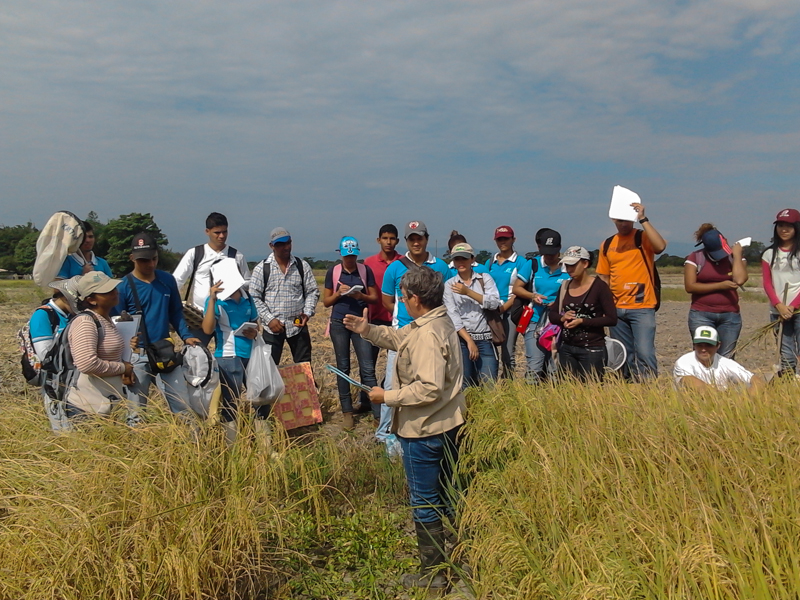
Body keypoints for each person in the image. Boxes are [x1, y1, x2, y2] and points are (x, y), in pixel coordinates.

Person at [344, 266, 465, 592]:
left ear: (414, 298)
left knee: (424, 501)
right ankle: (459, 557)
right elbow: (400, 338)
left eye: (403, 297)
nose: (402, 301)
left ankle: (434, 577)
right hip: (446, 423)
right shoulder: (437, 320)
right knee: (446, 494)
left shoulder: (428, 335)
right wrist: (367, 330)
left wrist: (387, 397)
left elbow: (429, 388)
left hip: (424, 430)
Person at [378, 220, 451, 450]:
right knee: (393, 385)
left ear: (427, 239)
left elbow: (448, 300)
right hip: (401, 335)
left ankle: (422, 430)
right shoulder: (395, 268)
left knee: (426, 384)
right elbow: (387, 300)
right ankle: (385, 434)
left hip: (431, 335)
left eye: (420, 238)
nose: (416, 243)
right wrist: (409, 316)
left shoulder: (441, 267)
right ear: (406, 241)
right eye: (412, 239)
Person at [115, 232, 201, 424]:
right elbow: (117, 325)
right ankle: (137, 440)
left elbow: (176, 312)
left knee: (182, 406)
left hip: (165, 350)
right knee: (136, 412)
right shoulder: (123, 287)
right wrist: (124, 363)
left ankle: (191, 440)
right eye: (144, 260)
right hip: (137, 356)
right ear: (132, 258)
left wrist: (185, 335)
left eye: (153, 258)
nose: (150, 264)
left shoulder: (167, 281)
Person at [596, 201, 667, 380]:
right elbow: (603, 277)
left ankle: (649, 386)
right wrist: (605, 305)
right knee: (622, 353)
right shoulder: (607, 244)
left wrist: (643, 218)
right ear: (613, 220)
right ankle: (627, 386)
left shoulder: (642, 237)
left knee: (645, 351)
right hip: (617, 308)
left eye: (627, 220)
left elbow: (660, 247)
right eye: (620, 220)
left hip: (642, 306)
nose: (623, 224)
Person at [322, 236, 379, 429]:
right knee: (343, 367)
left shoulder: (365, 270)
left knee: (367, 368)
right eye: (347, 256)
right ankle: (347, 412)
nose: (350, 260)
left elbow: (374, 297)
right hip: (339, 323)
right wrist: (339, 293)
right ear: (341, 254)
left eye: (353, 256)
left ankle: (377, 413)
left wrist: (359, 295)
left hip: (360, 323)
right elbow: (326, 302)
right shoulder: (334, 272)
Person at [173, 212, 251, 345]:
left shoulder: (237, 256)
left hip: (229, 317)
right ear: (207, 231)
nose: (222, 236)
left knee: (228, 354)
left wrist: (236, 284)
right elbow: (177, 280)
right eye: (217, 232)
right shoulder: (195, 253)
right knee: (196, 352)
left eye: (224, 232)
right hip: (199, 316)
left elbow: (248, 283)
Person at [66, 272, 135, 421]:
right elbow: (87, 364)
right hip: (87, 409)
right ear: (91, 300)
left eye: (113, 288)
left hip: (105, 404)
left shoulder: (104, 319)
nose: (115, 292)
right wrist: (123, 368)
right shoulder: (85, 322)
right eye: (107, 291)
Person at [201, 279, 262, 446]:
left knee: (260, 399)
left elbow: (256, 325)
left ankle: (265, 447)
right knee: (231, 402)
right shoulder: (217, 300)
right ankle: (232, 447)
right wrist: (212, 300)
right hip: (227, 356)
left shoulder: (247, 297)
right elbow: (207, 329)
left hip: (251, 355)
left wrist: (254, 332)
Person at [249, 227, 320, 365]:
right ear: (271, 246)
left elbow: (312, 291)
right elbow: (254, 297)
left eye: (288, 243)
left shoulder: (302, 266)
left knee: (304, 368)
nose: (285, 247)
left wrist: (307, 313)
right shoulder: (262, 268)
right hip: (272, 328)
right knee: (269, 369)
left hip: (297, 326)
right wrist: (269, 319)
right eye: (280, 244)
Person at [550, 246, 617, 381]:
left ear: (585, 263)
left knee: (592, 389)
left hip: (592, 349)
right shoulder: (565, 286)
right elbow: (552, 315)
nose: (569, 269)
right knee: (567, 388)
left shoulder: (599, 287)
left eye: (573, 265)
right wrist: (563, 318)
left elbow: (612, 319)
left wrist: (583, 321)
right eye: (566, 265)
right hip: (567, 348)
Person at [513, 228, 571, 381]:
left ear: (559, 248)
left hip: (559, 322)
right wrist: (533, 296)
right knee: (534, 365)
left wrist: (559, 303)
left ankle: (554, 393)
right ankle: (531, 392)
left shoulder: (568, 267)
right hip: (535, 319)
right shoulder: (533, 264)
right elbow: (517, 288)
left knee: (555, 367)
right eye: (546, 253)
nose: (549, 257)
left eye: (553, 253)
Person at [684, 224, 747, 358]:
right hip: (701, 314)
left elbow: (740, 279)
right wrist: (720, 286)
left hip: (730, 315)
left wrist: (737, 255)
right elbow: (690, 286)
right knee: (704, 354)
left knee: (726, 356)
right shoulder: (695, 257)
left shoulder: (734, 257)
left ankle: (723, 373)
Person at [443, 243, 501, 386]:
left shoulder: (484, 278)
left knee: (489, 383)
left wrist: (468, 292)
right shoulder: (449, 285)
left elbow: (494, 303)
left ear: (472, 259)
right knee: (466, 385)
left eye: (464, 258)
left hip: (485, 338)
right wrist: (469, 341)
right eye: (457, 259)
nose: (461, 262)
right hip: (462, 341)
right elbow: (453, 316)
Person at [31, 277, 80, 431]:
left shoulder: (71, 315)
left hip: (74, 379)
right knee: (63, 427)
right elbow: (46, 355)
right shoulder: (42, 316)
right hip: (54, 382)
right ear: (64, 297)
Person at [363, 224, 401, 408]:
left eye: (392, 238)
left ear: (397, 241)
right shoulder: (368, 263)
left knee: (396, 364)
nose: (388, 242)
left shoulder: (403, 262)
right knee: (368, 363)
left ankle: (388, 398)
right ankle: (366, 401)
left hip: (396, 321)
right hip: (374, 319)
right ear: (378, 240)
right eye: (385, 238)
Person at [762, 208, 800, 376]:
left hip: (797, 309)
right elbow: (767, 283)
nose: (784, 230)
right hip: (778, 311)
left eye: (789, 226)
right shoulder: (769, 254)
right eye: (780, 225)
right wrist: (779, 305)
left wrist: (793, 306)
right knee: (786, 351)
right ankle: (788, 380)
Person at [485, 226, 526, 378]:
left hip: (510, 311)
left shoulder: (521, 262)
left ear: (513, 240)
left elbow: (520, 290)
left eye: (506, 239)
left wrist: (503, 308)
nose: (502, 242)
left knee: (508, 351)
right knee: (491, 349)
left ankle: (508, 382)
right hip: (492, 311)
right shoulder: (490, 262)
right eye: (499, 239)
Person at [674, 326, 764, 392]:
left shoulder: (726, 363)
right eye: (699, 345)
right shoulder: (683, 362)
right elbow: (700, 389)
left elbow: (758, 382)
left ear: (718, 345)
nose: (703, 349)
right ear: (694, 345)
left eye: (708, 345)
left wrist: (746, 400)